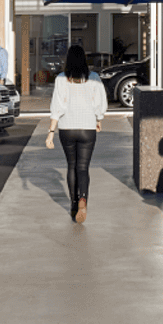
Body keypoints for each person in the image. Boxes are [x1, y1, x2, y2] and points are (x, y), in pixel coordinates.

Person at [47, 43, 105, 224]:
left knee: (71, 166)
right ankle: (83, 199)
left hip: (67, 129)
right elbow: (100, 103)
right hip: (87, 128)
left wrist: (50, 132)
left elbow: (58, 107)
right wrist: (98, 119)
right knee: (83, 167)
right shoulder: (94, 78)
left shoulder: (61, 79)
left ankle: (73, 204)